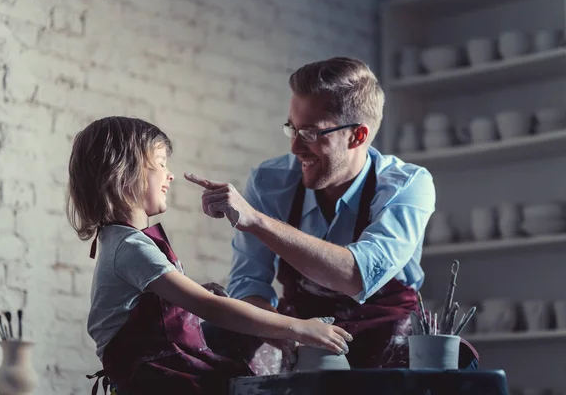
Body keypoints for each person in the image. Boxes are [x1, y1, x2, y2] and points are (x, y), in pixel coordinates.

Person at [185, 57, 478, 369]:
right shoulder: (270, 181)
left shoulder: (407, 185)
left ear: (358, 136)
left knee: (460, 362)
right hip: (302, 330)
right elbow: (249, 286)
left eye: (310, 133)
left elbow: (356, 277)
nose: (296, 147)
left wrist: (257, 221)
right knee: (214, 336)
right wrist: (287, 335)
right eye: (292, 129)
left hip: (387, 332)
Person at [66, 116, 353, 395]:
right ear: (125, 172)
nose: (171, 175)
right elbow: (210, 307)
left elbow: (147, 307)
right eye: (162, 164)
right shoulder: (131, 247)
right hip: (152, 380)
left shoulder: (122, 242)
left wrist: (180, 305)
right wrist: (297, 328)